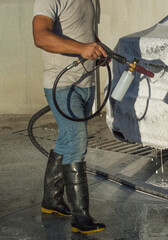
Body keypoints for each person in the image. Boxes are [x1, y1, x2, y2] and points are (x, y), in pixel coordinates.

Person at [32, 0, 107, 234]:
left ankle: (52, 202)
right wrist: (81, 49)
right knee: (76, 140)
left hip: (86, 82)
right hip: (61, 84)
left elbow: (86, 33)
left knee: (66, 140)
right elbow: (41, 37)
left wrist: (98, 49)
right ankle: (80, 217)